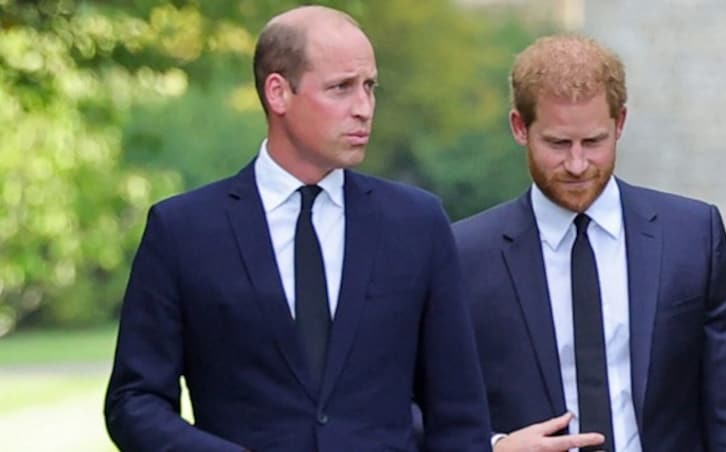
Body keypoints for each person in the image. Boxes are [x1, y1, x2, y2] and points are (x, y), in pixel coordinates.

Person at [104, 6, 491, 451]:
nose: (363, 108)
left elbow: (459, 413)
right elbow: (134, 402)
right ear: (278, 92)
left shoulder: (418, 223)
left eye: (369, 87)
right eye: (341, 88)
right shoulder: (182, 230)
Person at [453, 34, 726, 452]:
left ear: (620, 123)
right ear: (519, 128)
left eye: (594, 142)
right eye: (558, 143)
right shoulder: (463, 253)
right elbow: (417, 401)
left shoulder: (693, 235)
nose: (577, 164)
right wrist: (495, 446)